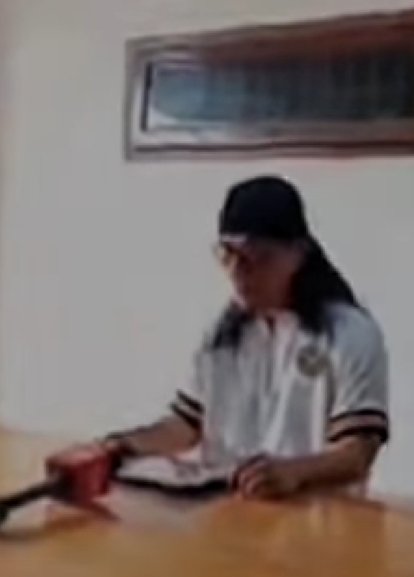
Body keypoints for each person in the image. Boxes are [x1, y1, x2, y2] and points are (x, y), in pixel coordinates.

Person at [52, 175, 391, 500]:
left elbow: (357, 452)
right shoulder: (223, 332)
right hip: (227, 505)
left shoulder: (349, 333)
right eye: (229, 254)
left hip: (314, 514)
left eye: (259, 256)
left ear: (298, 254)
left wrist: (292, 473)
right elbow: (186, 425)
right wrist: (118, 445)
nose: (239, 270)